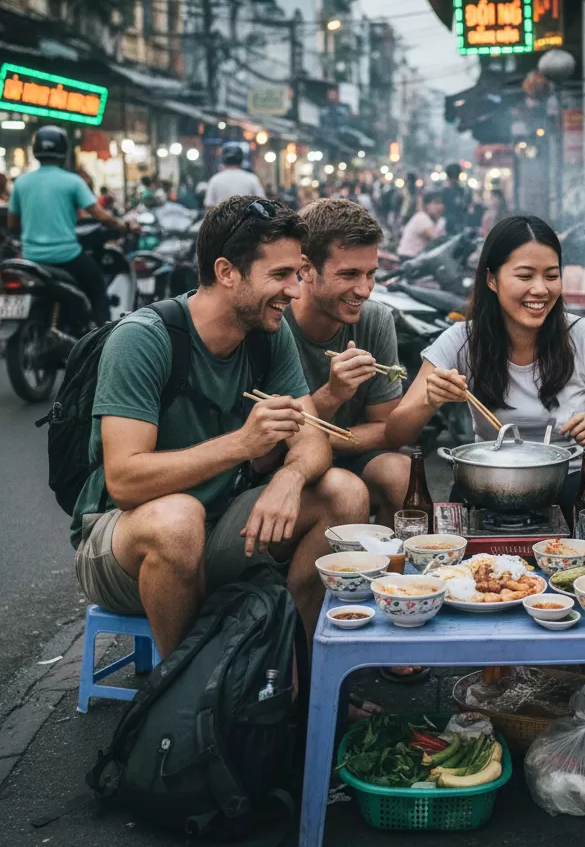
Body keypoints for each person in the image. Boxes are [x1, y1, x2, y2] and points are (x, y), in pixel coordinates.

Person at [70, 194, 371, 658]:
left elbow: (312, 437)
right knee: (178, 519)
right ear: (227, 271)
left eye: (297, 274)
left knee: (344, 492)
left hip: (220, 530)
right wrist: (242, 444)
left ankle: (294, 665)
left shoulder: (269, 334)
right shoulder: (144, 339)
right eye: (280, 275)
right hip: (125, 544)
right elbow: (125, 482)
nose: (295, 290)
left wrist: (289, 478)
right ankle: (187, 691)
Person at [386, 214, 585, 520]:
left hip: (575, 476)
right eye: (525, 276)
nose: (541, 289)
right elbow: (397, 433)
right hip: (494, 479)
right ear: (492, 279)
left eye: (551, 275)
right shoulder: (462, 340)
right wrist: (429, 400)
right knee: (460, 511)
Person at [285, 198, 410, 527]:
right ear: (306, 269)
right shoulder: (275, 324)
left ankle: (390, 561)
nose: (365, 290)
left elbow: (386, 430)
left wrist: (317, 443)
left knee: (402, 473)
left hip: (350, 457)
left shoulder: (375, 320)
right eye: (349, 274)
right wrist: (333, 394)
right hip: (285, 468)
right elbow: (267, 447)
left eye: (371, 274)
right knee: (342, 490)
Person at [7, 126, 128, 324]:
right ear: (64, 151)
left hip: (31, 258)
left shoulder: (21, 183)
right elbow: (102, 216)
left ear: (36, 150)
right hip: (66, 257)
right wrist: (123, 226)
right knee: (97, 286)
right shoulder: (73, 182)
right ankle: (102, 335)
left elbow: (12, 223)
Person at [204, 142, 265, 208]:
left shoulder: (215, 180)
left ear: (223, 159)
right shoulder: (252, 178)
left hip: (223, 215)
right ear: (241, 159)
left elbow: (208, 205)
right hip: (247, 215)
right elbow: (262, 202)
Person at [397, 190, 445, 259]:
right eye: (436, 203)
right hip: (408, 259)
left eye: (442, 203)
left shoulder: (439, 221)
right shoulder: (421, 218)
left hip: (418, 259)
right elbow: (438, 240)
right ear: (427, 205)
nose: (440, 206)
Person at [440, 162, 467, 233]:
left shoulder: (462, 191)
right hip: (446, 227)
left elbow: (464, 209)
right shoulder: (443, 192)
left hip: (459, 226)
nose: (455, 179)